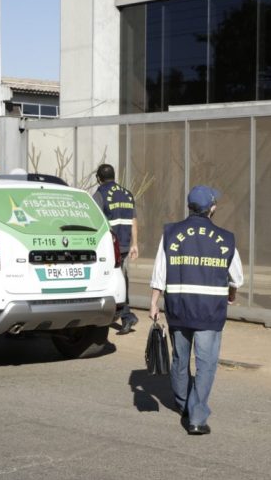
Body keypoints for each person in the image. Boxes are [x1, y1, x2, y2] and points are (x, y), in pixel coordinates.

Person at [149, 185, 244, 435]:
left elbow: (161, 270)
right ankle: (196, 418)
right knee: (206, 364)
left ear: (189, 207)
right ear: (212, 208)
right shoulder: (225, 237)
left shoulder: (171, 233)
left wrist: (153, 301)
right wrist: (231, 293)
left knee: (180, 359)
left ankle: (183, 405)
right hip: (209, 311)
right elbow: (236, 276)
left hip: (179, 307)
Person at [93, 163, 139, 335]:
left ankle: (126, 316)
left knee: (114, 281)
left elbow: (95, 221)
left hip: (110, 247)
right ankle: (125, 315)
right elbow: (134, 220)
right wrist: (135, 244)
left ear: (98, 178)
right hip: (125, 244)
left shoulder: (100, 194)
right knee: (121, 279)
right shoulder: (127, 194)